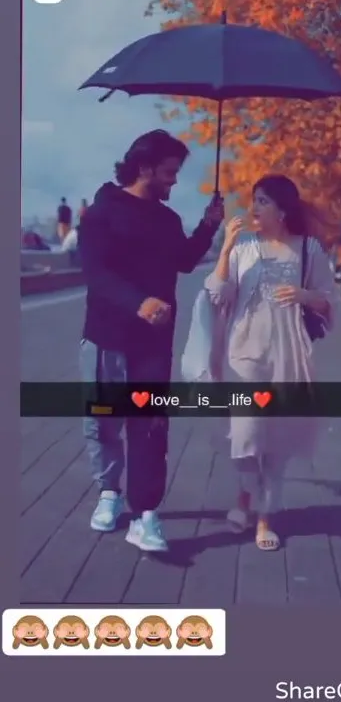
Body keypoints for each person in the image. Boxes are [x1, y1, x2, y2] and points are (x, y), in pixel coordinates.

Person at [78, 129, 224, 552]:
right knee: (104, 420)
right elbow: (96, 274)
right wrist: (138, 302)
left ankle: (146, 515)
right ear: (144, 168)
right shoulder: (102, 213)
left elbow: (183, 261)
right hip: (106, 338)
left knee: (150, 426)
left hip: (153, 346)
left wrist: (208, 226)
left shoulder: (168, 219)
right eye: (169, 172)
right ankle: (109, 492)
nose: (175, 181)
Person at [184, 174, 335, 552]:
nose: (254, 208)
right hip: (243, 355)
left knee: (278, 439)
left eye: (263, 201)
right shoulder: (243, 249)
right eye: (254, 200)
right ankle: (246, 495)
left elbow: (327, 300)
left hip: (289, 354)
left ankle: (262, 515)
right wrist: (224, 251)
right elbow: (217, 294)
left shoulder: (309, 250)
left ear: (283, 209)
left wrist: (303, 294)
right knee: (246, 434)